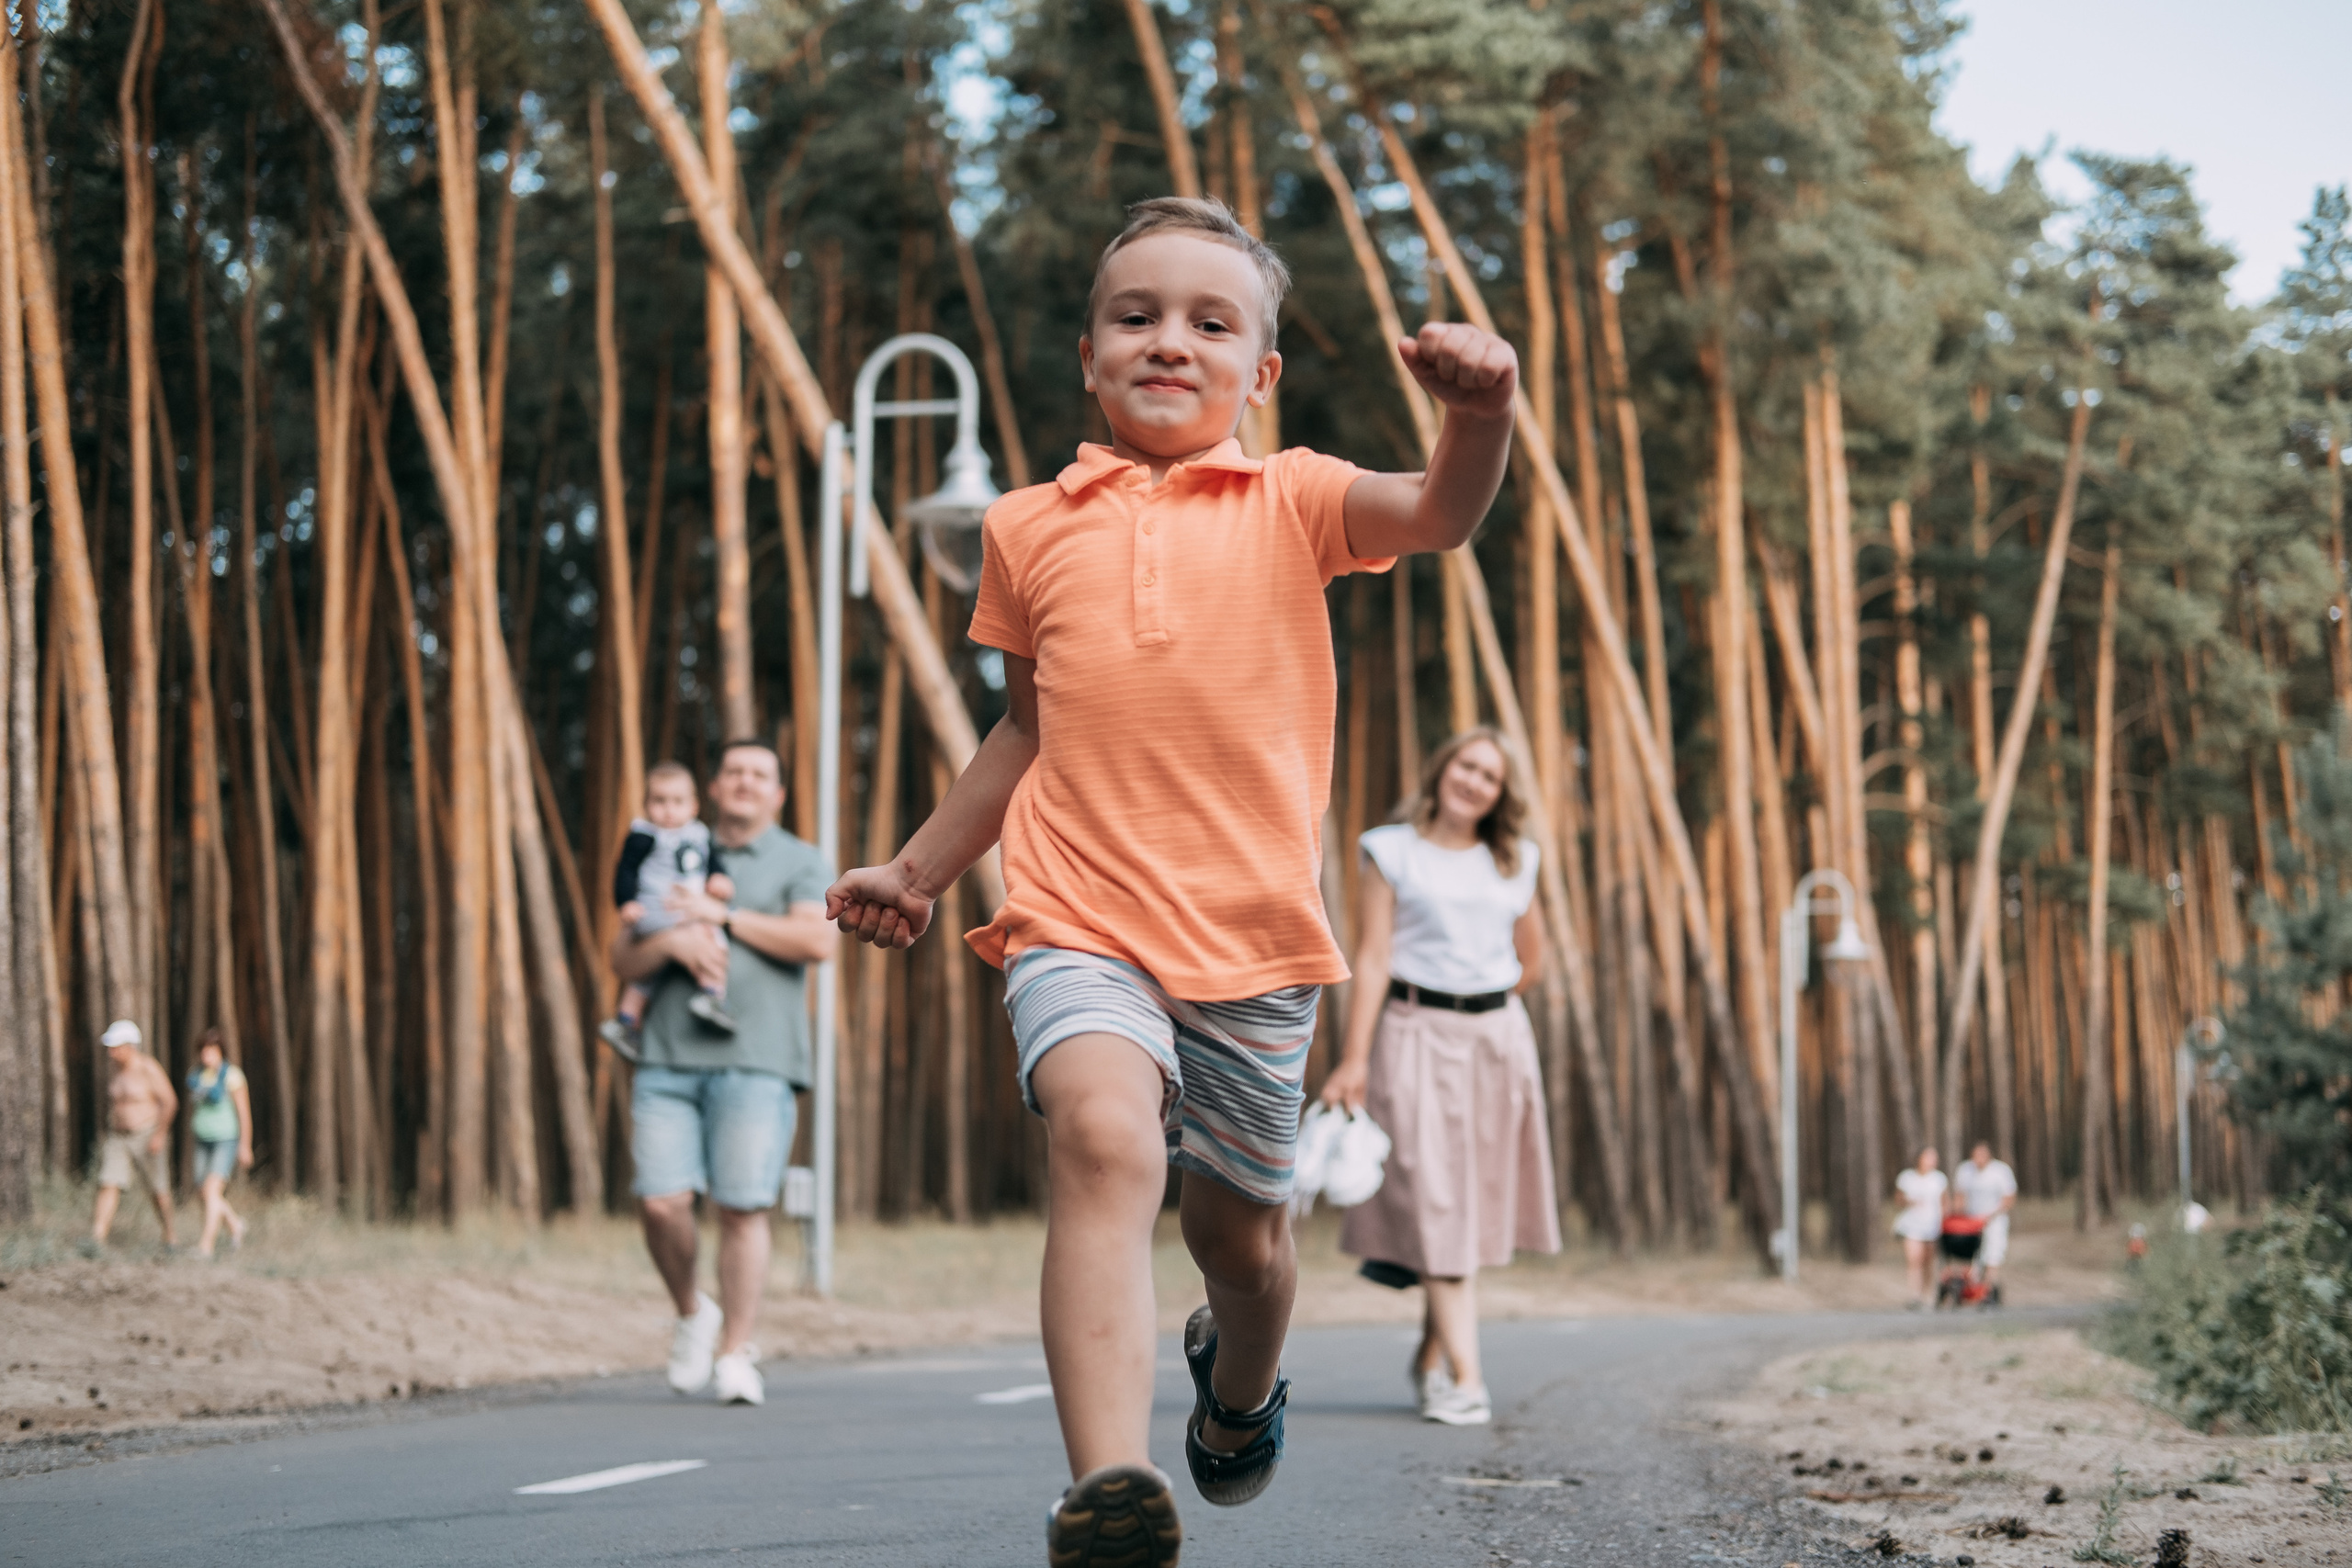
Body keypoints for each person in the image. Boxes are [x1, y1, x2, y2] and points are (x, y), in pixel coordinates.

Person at [825, 196, 1518, 1565]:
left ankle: (1240, 1387)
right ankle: (1111, 1490)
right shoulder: (1025, 528)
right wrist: (916, 867)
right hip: (1079, 916)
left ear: (1260, 374)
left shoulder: (1299, 496)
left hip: (1257, 937)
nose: (1168, 340)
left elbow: (1442, 512)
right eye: (1135, 315)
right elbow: (1026, 728)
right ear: (1087, 353)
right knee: (1102, 1139)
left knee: (1239, 1242)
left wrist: (1482, 411)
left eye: (1211, 323)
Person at [1319, 728, 1560, 1427]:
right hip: (1413, 1034)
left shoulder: (1517, 860)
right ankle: (1467, 1376)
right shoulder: (1389, 850)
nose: (1475, 781)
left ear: (1501, 793)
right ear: (1443, 766)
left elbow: (1532, 961)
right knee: (1438, 1199)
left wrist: (1486, 1007)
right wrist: (1355, 1057)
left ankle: (1429, 1360)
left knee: (1465, 1205)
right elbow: (1372, 957)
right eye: (1467, 765)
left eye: (1491, 775)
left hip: (1494, 1042)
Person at [608, 739, 835, 1408]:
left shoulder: (798, 858)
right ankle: (690, 1311)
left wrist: (723, 917)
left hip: (757, 1059)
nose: (744, 781)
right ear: (712, 785)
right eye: (733, 770)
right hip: (666, 1056)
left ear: (778, 794)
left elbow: (817, 940)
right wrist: (670, 942)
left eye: (759, 773)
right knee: (659, 1199)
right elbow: (623, 958)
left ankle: (736, 1351)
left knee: (741, 1207)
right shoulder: (667, 841)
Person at [601, 761, 738, 1057]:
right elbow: (625, 871)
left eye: (677, 802)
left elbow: (711, 862)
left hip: (680, 913)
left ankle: (626, 1019)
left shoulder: (698, 834)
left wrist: (719, 878)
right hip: (659, 911)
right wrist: (626, 903)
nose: (668, 810)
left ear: (694, 806)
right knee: (713, 940)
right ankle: (713, 995)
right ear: (646, 804)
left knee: (651, 973)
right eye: (659, 801)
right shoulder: (643, 835)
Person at [90, 1020, 177, 1251]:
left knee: (157, 1190)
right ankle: (97, 1238)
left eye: (116, 1046)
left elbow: (169, 1102)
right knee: (108, 1183)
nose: (111, 1052)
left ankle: (170, 1236)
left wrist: (159, 1135)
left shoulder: (147, 1068)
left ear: (129, 1046)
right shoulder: (115, 1071)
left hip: (146, 1135)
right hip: (119, 1137)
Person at [184, 1029, 253, 1258]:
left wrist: (245, 1145)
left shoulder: (233, 1076)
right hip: (202, 1139)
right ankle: (235, 1225)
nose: (207, 1054)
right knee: (203, 1193)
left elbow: (244, 1113)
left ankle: (206, 1247)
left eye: (211, 1049)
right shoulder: (197, 1076)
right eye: (203, 1049)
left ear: (220, 1051)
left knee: (211, 1190)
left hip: (225, 1139)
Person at [1952, 1139, 2018, 1297]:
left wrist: (1991, 1215)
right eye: (1975, 1155)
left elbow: (2009, 1198)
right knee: (1973, 1256)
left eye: (1982, 1155)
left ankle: (1989, 1289)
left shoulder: (2000, 1171)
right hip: (1971, 1221)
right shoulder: (1965, 1170)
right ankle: (1973, 1289)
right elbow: (1960, 1196)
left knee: (1993, 1253)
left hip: (1995, 1219)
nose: (1978, 1159)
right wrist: (1958, 1215)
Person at [1894, 1146, 1948, 1310]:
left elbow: (1945, 1202)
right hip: (1912, 1224)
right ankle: (1914, 1295)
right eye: (1928, 1157)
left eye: (1934, 1158)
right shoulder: (1906, 1178)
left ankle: (1926, 1294)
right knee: (1913, 1260)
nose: (1931, 1161)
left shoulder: (1939, 1179)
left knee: (1928, 1261)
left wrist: (1945, 1220)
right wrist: (1909, 1202)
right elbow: (1898, 1200)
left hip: (1932, 1225)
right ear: (1919, 1159)